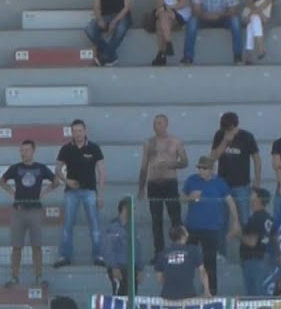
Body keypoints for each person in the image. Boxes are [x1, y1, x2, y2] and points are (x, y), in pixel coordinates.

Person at [0, 140, 60, 288]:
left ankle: (39, 276)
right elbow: (2, 180)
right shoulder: (15, 168)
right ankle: (14, 276)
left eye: (26, 150)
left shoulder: (41, 168)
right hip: (18, 209)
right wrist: (11, 192)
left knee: (37, 245)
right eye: (21, 150)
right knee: (16, 246)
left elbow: (56, 181)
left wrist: (44, 192)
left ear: (33, 151)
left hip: (35, 209)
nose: (23, 153)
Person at [181, 156, 241, 297]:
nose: (201, 171)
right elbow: (181, 197)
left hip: (211, 228)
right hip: (192, 227)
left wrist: (235, 220)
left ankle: (211, 291)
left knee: (210, 262)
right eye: (199, 168)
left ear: (211, 169)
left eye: (204, 168)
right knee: (187, 259)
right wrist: (190, 197)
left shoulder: (220, 183)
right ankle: (185, 290)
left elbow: (230, 202)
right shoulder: (192, 180)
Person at [53, 119, 105, 269]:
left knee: (94, 225)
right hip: (71, 192)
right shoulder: (66, 149)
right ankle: (65, 256)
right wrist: (66, 181)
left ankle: (98, 255)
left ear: (85, 131)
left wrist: (100, 195)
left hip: (90, 191)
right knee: (67, 225)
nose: (77, 134)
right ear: (71, 132)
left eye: (80, 131)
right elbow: (57, 169)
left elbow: (101, 172)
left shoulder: (94, 148)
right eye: (74, 131)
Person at [138, 114, 188, 260]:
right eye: (154, 123)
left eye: (159, 123)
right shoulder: (148, 143)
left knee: (176, 219)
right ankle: (159, 253)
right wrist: (141, 188)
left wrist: (171, 164)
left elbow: (185, 162)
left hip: (170, 182)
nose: (156, 126)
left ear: (166, 124)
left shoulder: (175, 141)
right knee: (156, 221)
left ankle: (180, 250)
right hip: (153, 184)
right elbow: (143, 167)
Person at [185, 0, 244, 66]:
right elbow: (196, 10)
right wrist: (205, 15)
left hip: (223, 18)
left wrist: (219, 14)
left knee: (235, 20)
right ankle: (188, 57)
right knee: (192, 21)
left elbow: (233, 10)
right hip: (204, 18)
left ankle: (238, 56)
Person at [210, 111, 262, 230]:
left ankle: (245, 248)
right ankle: (222, 248)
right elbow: (213, 157)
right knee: (221, 221)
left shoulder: (247, 136)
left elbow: (257, 159)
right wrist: (225, 141)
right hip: (223, 184)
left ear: (235, 126)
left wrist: (257, 180)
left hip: (242, 185)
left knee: (244, 220)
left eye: (229, 128)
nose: (227, 131)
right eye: (225, 129)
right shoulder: (219, 135)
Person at [152, 0, 191, 66]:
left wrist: (168, 8)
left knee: (161, 19)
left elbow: (182, 3)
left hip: (179, 12)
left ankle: (162, 54)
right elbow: (159, 3)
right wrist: (165, 9)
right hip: (165, 13)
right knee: (160, 22)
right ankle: (168, 43)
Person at [100, 198, 143, 296]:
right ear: (124, 208)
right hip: (119, 268)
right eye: (133, 208)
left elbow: (138, 249)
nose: (134, 211)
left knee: (132, 298)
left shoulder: (133, 227)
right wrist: (114, 267)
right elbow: (108, 249)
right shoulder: (113, 227)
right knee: (120, 298)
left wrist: (140, 269)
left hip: (132, 269)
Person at [156, 225, 210, 300]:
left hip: (167, 295)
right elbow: (202, 271)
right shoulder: (193, 250)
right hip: (188, 294)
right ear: (184, 235)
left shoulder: (163, 253)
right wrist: (207, 291)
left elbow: (159, 277)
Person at [240, 188, 276, 297]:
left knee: (255, 296)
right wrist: (278, 254)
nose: (250, 198)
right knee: (260, 293)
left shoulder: (257, 218)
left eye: (253, 195)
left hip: (254, 260)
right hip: (263, 258)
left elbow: (252, 242)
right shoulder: (268, 218)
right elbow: (275, 238)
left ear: (259, 200)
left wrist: (237, 234)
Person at [243, 0, 279, 64]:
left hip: (263, 9)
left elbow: (269, 0)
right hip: (255, 12)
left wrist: (254, 13)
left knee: (253, 20)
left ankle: (249, 54)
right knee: (254, 18)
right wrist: (258, 13)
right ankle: (261, 47)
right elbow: (249, 2)